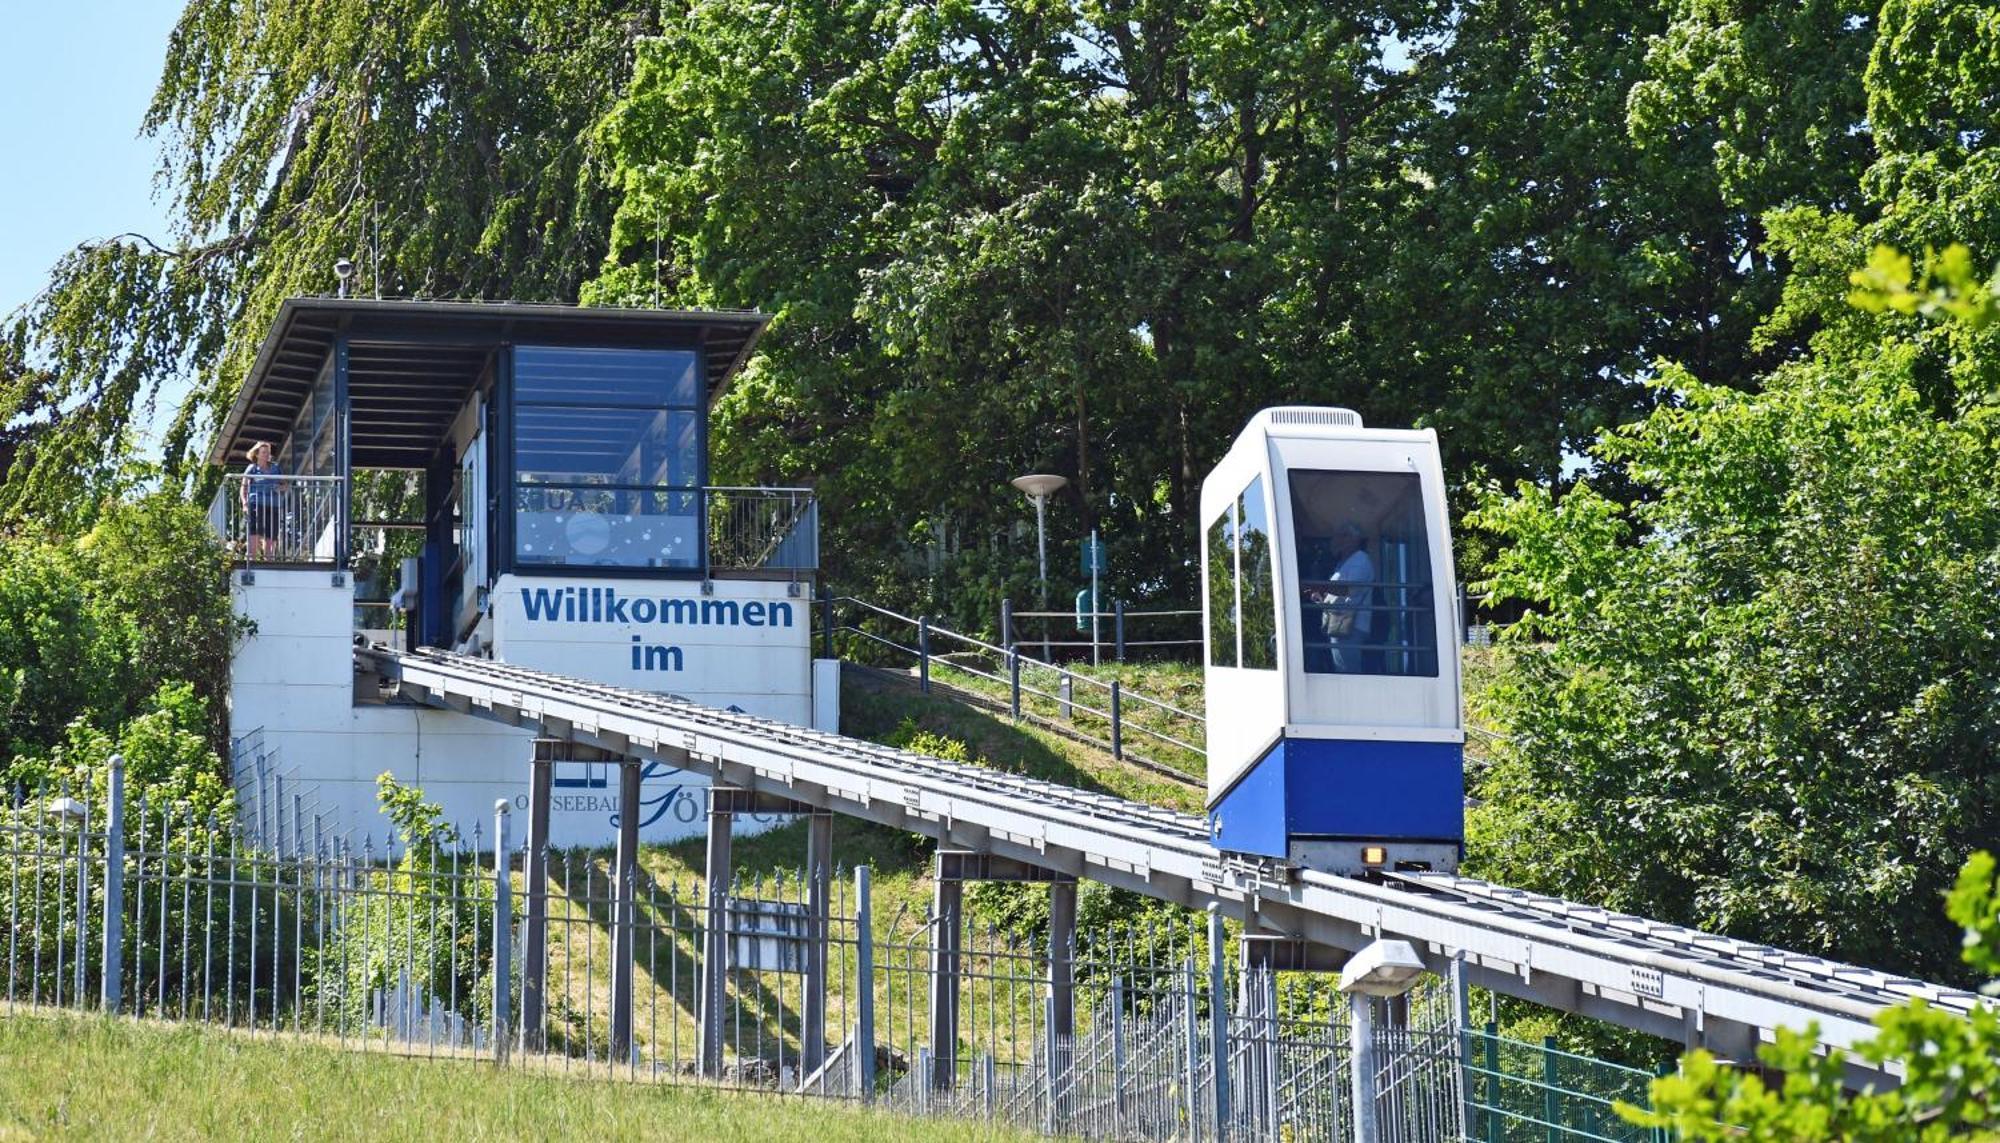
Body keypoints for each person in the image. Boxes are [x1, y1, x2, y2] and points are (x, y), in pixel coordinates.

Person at [1315, 521, 1374, 673]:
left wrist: (1320, 587)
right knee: (1342, 669)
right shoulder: (1345, 562)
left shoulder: (1361, 559)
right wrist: (1322, 598)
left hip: (1351, 626)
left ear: (1355, 539)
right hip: (1340, 624)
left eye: (1342, 536)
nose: (1337, 540)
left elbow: (1350, 589)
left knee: (1348, 673)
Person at [240, 442, 283, 559]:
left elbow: (284, 485)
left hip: (273, 504)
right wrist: (244, 503)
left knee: (271, 533)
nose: (267, 455)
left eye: (268, 452)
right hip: (256, 503)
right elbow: (244, 487)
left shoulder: (275, 467)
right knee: (255, 531)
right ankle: (251, 558)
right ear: (257, 454)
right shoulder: (252, 468)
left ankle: (269, 559)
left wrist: (280, 487)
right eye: (264, 452)